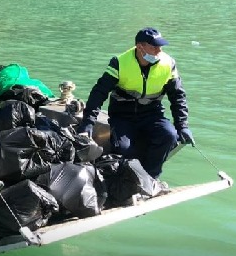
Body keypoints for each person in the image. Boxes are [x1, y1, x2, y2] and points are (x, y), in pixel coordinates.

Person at [76, 27, 194, 178]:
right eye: (154, 47)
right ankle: (128, 180)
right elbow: (99, 93)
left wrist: (182, 126)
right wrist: (87, 123)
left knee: (169, 136)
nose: (159, 51)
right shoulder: (119, 63)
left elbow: (178, 96)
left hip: (153, 114)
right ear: (140, 47)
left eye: (160, 46)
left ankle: (150, 179)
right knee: (124, 149)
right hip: (123, 116)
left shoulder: (168, 63)